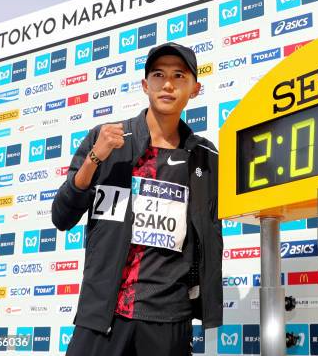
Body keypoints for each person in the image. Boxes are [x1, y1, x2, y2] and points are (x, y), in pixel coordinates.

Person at [52, 42, 223, 356]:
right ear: (146, 85)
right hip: (103, 315)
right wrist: (94, 159)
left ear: (195, 89)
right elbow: (61, 217)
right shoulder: (107, 140)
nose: (168, 84)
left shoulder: (207, 157)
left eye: (179, 75)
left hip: (168, 319)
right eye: (158, 75)